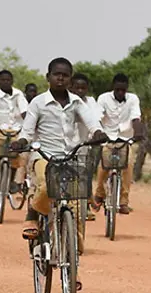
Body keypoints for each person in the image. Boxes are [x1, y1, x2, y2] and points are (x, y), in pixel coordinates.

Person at [17, 59, 106, 281]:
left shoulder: (77, 103)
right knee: (47, 185)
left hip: (71, 157)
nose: (60, 78)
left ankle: (71, 262)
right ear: (48, 77)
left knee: (77, 210)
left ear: (70, 78)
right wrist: (21, 142)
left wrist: (97, 134)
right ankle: (32, 213)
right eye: (56, 74)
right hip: (44, 156)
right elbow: (27, 132)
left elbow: (93, 123)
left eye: (65, 75)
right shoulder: (38, 103)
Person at [92, 73, 145, 214]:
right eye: (118, 90)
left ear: (127, 89)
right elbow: (97, 117)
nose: (120, 93)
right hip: (108, 138)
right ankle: (100, 193)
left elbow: (136, 118)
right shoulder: (103, 98)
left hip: (125, 139)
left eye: (123, 90)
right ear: (113, 88)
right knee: (103, 167)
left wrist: (139, 133)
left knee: (128, 165)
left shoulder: (133, 99)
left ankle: (123, 202)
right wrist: (98, 133)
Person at [0, 70, 29, 200]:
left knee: (17, 153)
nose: (6, 82)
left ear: (12, 81)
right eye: (3, 80)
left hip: (16, 129)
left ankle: (10, 181)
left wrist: (29, 124)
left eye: (8, 80)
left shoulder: (18, 94)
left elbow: (24, 112)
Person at [70, 73, 103, 222]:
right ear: (71, 87)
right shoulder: (65, 102)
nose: (80, 91)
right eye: (76, 87)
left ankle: (86, 205)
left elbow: (94, 119)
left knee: (85, 177)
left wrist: (97, 135)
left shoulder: (90, 103)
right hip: (60, 149)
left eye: (83, 88)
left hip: (83, 146)